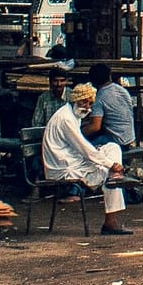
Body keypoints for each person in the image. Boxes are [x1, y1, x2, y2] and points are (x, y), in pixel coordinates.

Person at [42, 83, 131, 235]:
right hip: (63, 167)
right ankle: (111, 221)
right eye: (84, 102)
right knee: (107, 171)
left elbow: (84, 150)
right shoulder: (66, 119)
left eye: (90, 104)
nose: (87, 107)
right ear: (75, 100)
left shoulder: (72, 114)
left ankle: (115, 176)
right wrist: (111, 164)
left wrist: (109, 163)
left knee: (113, 147)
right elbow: (85, 149)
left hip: (73, 161)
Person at [84, 62, 137, 151]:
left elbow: (95, 127)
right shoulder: (122, 90)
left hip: (118, 142)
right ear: (109, 76)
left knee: (83, 147)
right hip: (130, 138)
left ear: (92, 81)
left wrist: (77, 133)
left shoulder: (100, 97)